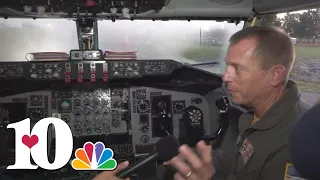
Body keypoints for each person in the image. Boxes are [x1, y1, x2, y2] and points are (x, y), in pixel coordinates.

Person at [164, 26, 310, 180]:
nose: (225, 77)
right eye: (228, 65)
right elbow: (235, 163)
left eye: (237, 68)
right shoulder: (254, 114)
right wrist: (199, 160)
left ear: (275, 75)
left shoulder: (296, 143)